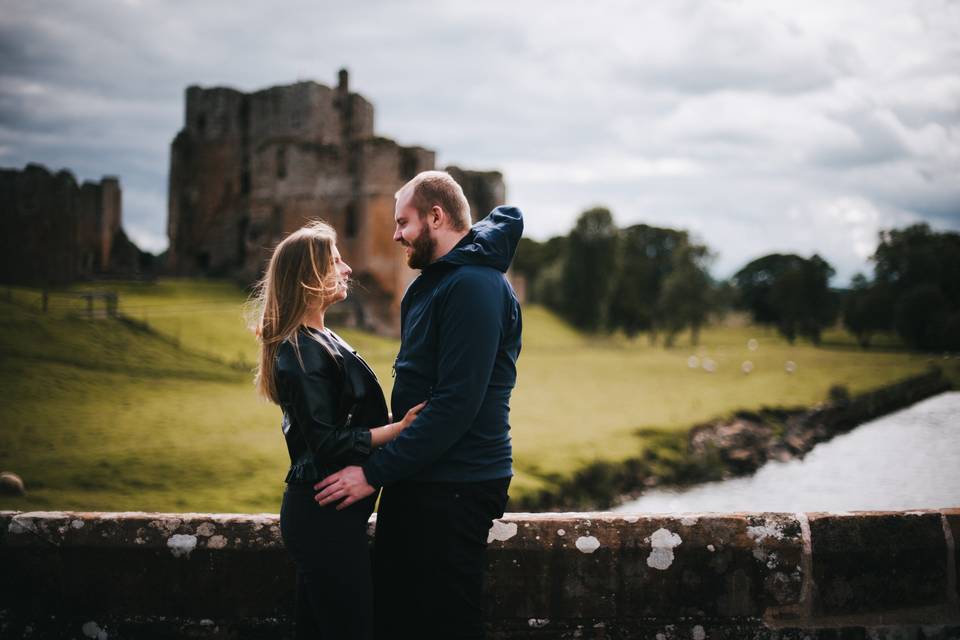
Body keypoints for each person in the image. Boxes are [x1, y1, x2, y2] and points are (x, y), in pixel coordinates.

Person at [314, 171, 523, 639]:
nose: (394, 235)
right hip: (423, 475)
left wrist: (372, 473)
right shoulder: (434, 283)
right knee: (395, 616)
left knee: (444, 623)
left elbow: (455, 406)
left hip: (458, 482)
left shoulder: (473, 286)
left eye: (403, 222)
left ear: (436, 216)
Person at [251, 220, 425, 640]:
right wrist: (398, 430)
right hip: (321, 519)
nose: (347, 269)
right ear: (309, 277)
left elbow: (349, 419)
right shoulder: (299, 352)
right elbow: (327, 443)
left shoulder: (321, 337)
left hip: (332, 518)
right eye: (335, 261)